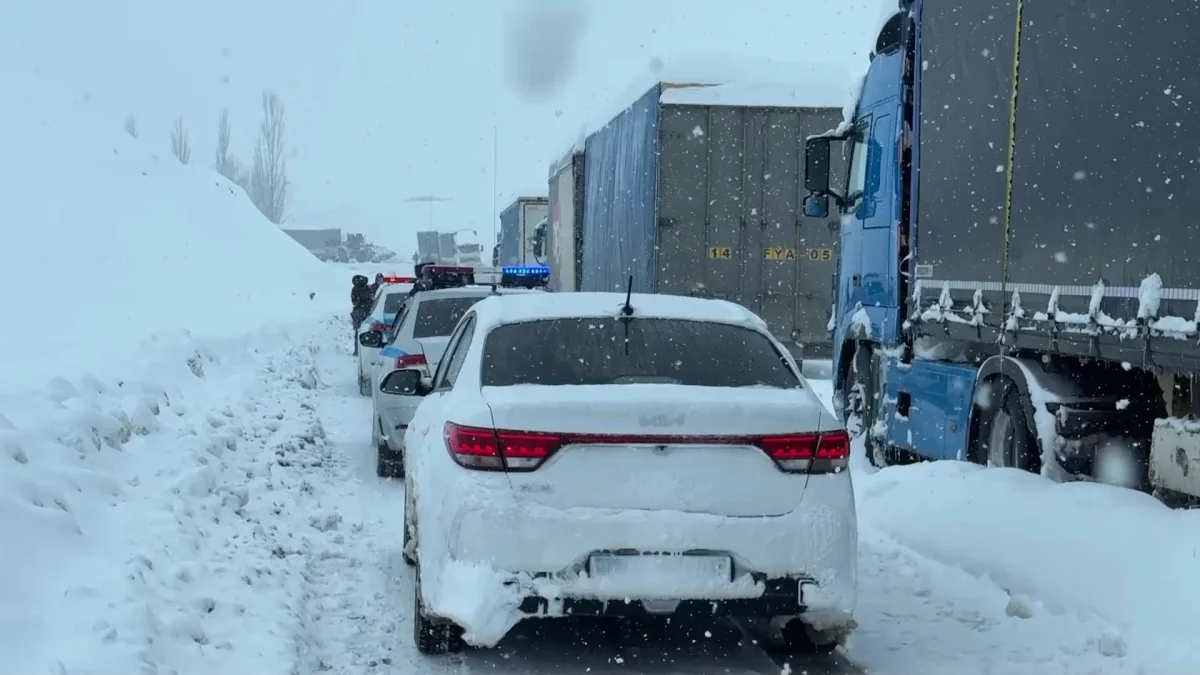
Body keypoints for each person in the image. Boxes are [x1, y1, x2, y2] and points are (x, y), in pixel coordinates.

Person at [350, 275, 373, 354]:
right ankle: (363, 350)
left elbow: (354, 302)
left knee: (358, 332)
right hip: (366, 312)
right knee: (367, 331)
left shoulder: (355, 289)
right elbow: (371, 299)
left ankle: (358, 350)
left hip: (359, 312)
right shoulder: (368, 289)